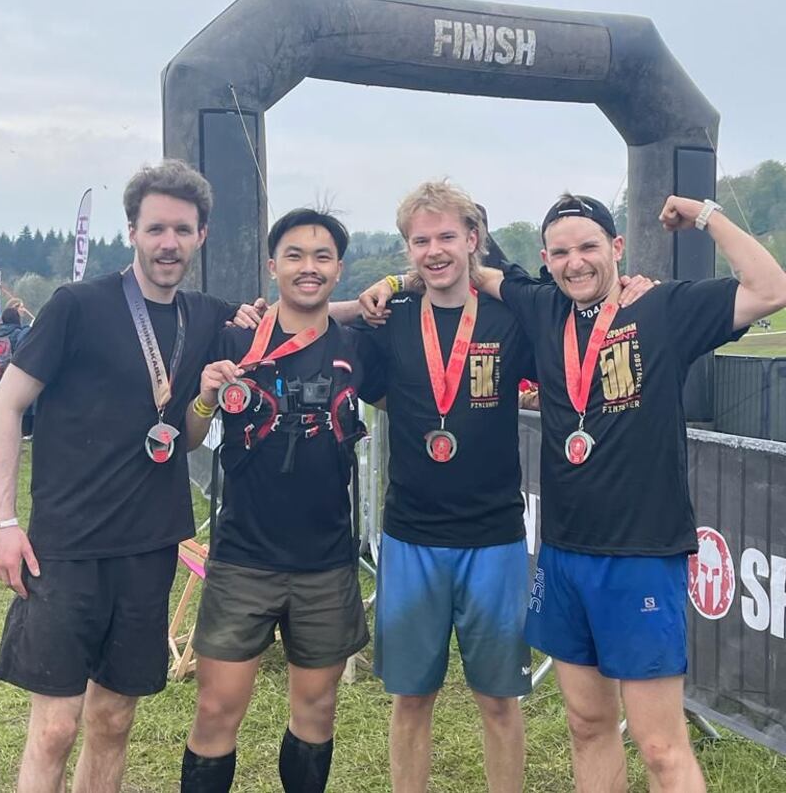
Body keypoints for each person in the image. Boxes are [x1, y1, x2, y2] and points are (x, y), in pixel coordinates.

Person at [469, 193, 786, 793]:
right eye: (561, 252)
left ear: (616, 248)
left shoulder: (663, 307)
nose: (575, 263)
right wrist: (390, 279)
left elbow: (771, 288)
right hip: (564, 554)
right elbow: (477, 269)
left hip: (640, 555)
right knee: (587, 725)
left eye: (589, 247)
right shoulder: (542, 308)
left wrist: (705, 213)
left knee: (662, 747)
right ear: (546, 258)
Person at [0, 159, 254, 793]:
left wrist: (386, 290)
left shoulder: (207, 315)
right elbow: (6, 406)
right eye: (156, 228)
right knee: (55, 727)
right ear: (132, 230)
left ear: (201, 236)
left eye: (182, 230)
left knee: (112, 718)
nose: (169, 243)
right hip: (66, 546)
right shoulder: (77, 305)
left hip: (148, 545)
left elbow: (304, 314)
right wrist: (3, 521)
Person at [180, 208, 385, 793]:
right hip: (243, 557)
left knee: (317, 714)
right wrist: (203, 399)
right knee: (218, 710)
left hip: (325, 561)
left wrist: (395, 283)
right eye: (294, 255)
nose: (308, 267)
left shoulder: (355, 345)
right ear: (273, 266)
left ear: (339, 268)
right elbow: (190, 436)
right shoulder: (235, 338)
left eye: (322, 257)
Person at [348, 181, 539, 793]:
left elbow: (553, 296)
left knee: (499, 700)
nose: (434, 251)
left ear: (473, 239)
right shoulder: (391, 316)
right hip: (411, 536)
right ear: (407, 249)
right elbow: (373, 387)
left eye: (447, 237)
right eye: (420, 240)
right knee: (411, 698)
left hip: (494, 537)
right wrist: (389, 288)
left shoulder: (511, 316)